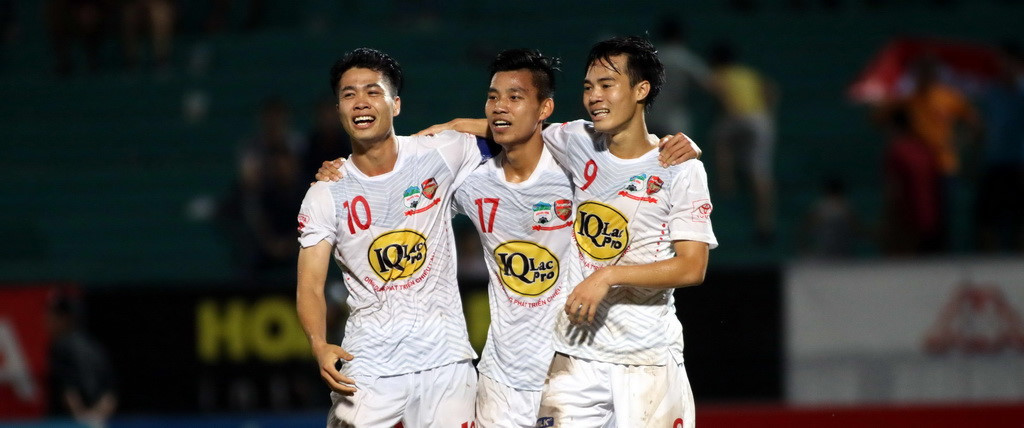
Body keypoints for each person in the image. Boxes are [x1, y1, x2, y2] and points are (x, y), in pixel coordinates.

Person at [316, 49, 701, 426]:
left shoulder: (577, 167)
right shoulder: (473, 183)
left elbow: (627, 157)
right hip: (502, 379)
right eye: (493, 98)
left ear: (544, 108)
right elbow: (403, 189)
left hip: (575, 360)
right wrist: (345, 173)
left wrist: (674, 149)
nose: (500, 107)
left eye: (514, 97)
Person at [295, 48, 482, 427]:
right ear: (338, 110)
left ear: (395, 104)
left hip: (445, 362)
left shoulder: (439, 152)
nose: (360, 102)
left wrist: (459, 124)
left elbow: (525, 131)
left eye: (373, 91)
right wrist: (319, 344)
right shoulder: (325, 192)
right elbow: (310, 285)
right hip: (368, 366)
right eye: (348, 94)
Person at [535, 36, 716, 428]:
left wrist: (608, 275)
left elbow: (692, 268)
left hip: (648, 359)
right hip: (577, 354)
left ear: (641, 90)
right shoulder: (578, 140)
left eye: (606, 84)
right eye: (588, 87)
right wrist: (448, 130)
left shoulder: (680, 168)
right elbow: (514, 129)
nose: (594, 97)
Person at [708, 40, 778, 242]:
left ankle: (726, 181)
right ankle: (765, 222)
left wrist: (728, 108)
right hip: (760, 119)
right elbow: (772, 89)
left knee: (720, 140)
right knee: (760, 171)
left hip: (736, 116)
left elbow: (718, 91)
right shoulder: (748, 73)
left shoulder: (719, 74)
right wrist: (768, 112)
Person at [974, 40, 1024, 252]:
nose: (1001, 65)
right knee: (985, 217)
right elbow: (987, 125)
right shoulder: (993, 92)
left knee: (1020, 219)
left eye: (1005, 60)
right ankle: (989, 263)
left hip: (1020, 162)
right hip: (995, 163)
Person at [46, 290, 117, 427]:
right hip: (98, 421)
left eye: (51, 316)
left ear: (65, 318)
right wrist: (96, 417)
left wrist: (81, 419)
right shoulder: (96, 346)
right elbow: (110, 395)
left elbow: (68, 389)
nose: (46, 321)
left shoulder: (61, 347)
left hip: (68, 422)